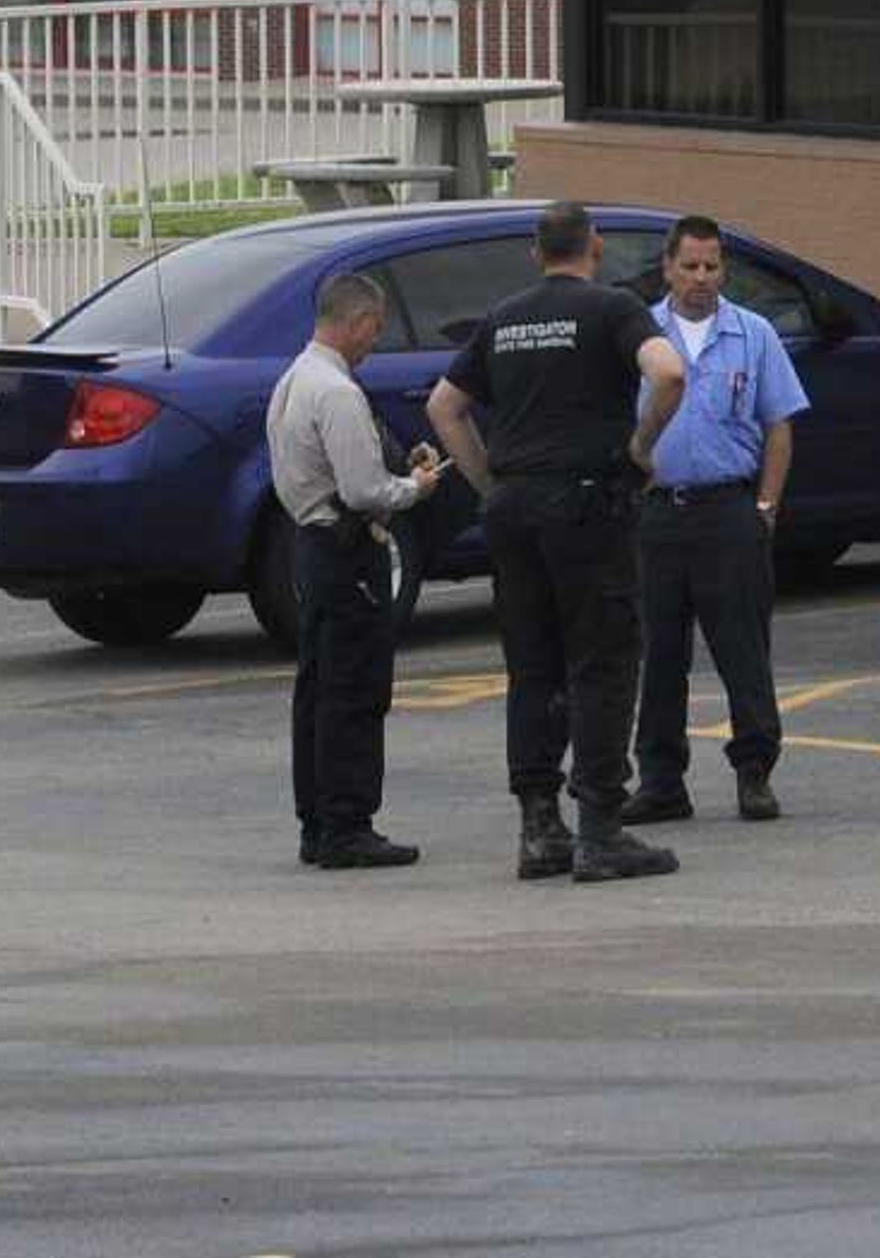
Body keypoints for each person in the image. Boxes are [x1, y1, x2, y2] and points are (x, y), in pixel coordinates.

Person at [425, 201, 687, 885]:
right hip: (587, 504)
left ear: (535, 252)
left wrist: (490, 483)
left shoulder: (505, 318)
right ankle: (602, 828)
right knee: (602, 661)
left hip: (514, 508)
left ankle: (539, 828)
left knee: (533, 665)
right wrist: (638, 449)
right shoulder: (611, 309)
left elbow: (444, 407)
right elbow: (669, 373)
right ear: (594, 246)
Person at [628, 213, 809, 826]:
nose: (701, 279)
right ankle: (660, 780)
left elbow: (779, 424)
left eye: (711, 267)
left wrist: (766, 506)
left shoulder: (752, 334)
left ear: (723, 270)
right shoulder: (641, 334)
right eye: (690, 267)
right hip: (658, 513)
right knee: (659, 653)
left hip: (728, 509)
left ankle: (754, 772)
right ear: (668, 268)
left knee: (743, 650)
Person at [262, 268, 445, 871]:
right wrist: (414, 487)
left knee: (317, 688)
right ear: (360, 321)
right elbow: (365, 489)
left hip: (310, 546)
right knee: (356, 690)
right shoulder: (338, 392)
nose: (375, 341)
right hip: (347, 553)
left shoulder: (293, 380)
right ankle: (349, 823)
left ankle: (317, 820)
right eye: (375, 329)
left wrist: (396, 460)